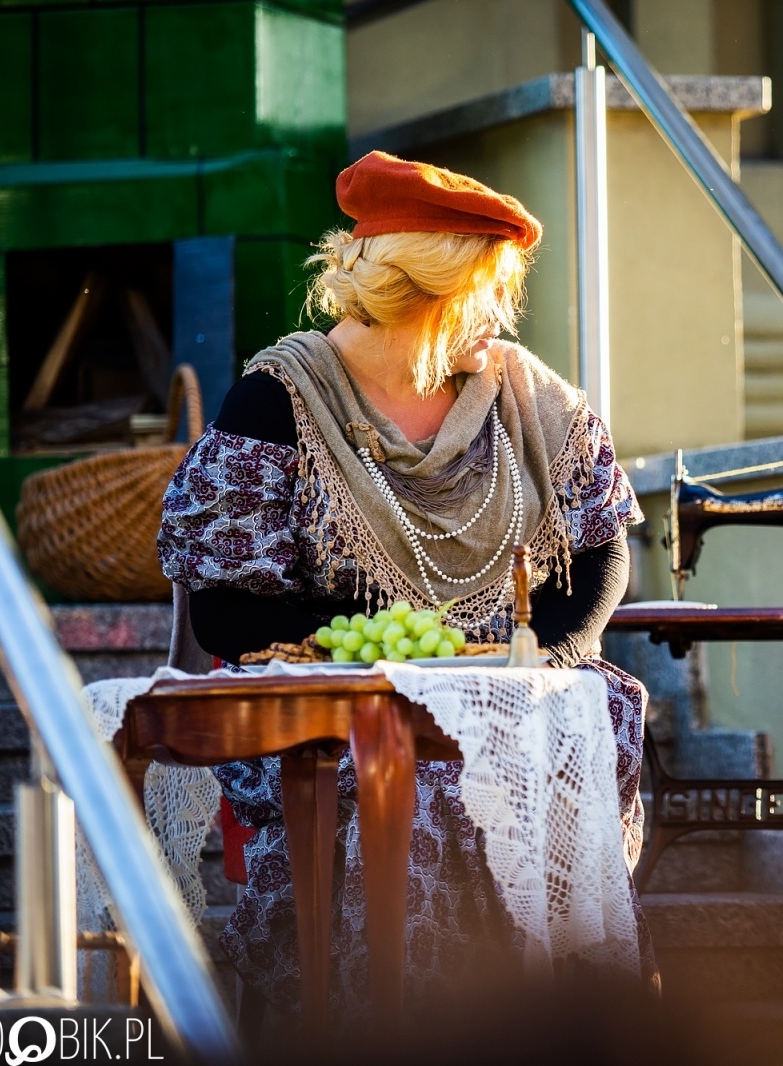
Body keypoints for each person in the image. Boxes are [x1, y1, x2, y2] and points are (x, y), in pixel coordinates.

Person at [157, 151, 652, 1008]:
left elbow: (602, 549)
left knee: (563, 727)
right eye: (483, 296)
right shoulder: (279, 401)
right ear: (421, 301)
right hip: (327, 709)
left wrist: (553, 653)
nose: (501, 317)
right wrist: (373, 657)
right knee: (422, 781)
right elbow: (225, 608)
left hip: (502, 694)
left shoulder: (530, 398)